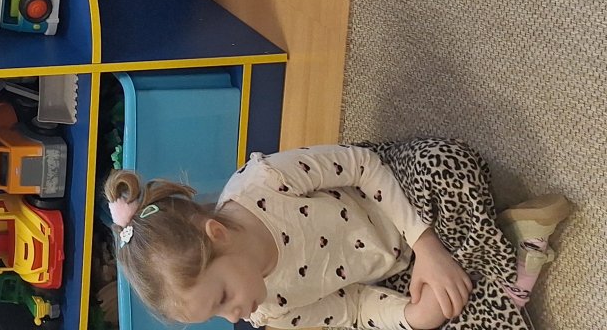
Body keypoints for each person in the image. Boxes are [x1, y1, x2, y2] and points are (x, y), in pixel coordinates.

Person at [105, 140, 573, 329]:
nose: (234, 317)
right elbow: (353, 309)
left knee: (446, 165)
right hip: (387, 272)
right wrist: (411, 316)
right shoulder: (270, 312)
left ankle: (494, 259)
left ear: (217, 234)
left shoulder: (264, 182)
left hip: (397, 195)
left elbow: (363, 166)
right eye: (218, 315)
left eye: (223, 298)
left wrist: (426, 245)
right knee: (442, 316)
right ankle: (509, 255)